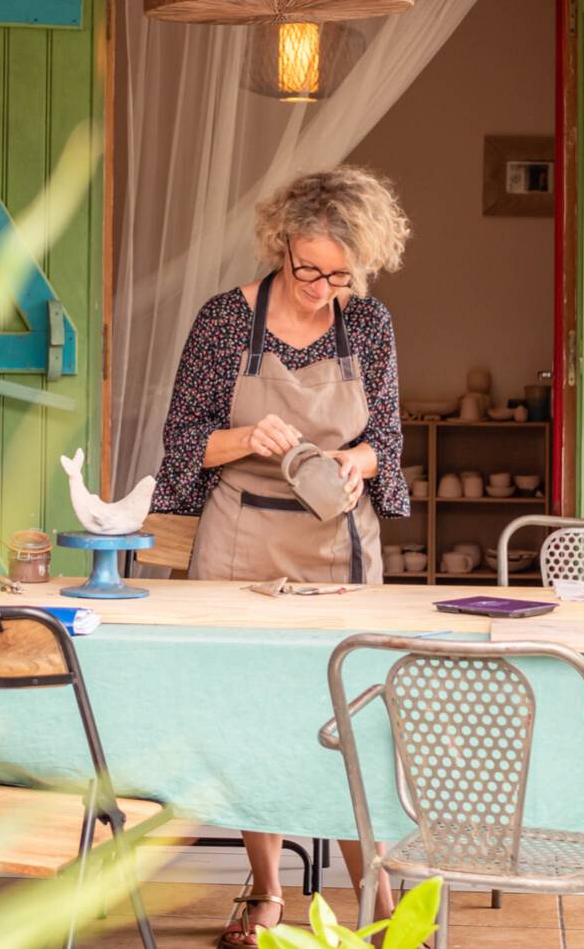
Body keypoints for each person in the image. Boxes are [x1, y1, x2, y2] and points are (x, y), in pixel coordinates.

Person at [152, 166, 411, 946]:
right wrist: (244, 438)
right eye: (308, 270)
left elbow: (387, 444)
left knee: (349, 717)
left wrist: (353, 465)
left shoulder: (366, 325)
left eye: (340, 274)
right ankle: (264, 893)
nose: (321, 288)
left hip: (335, 542)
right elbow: (182, 444)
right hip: (239, 541)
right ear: (280, 246)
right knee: (244, 716)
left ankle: (378, 897)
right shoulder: (225, 321)